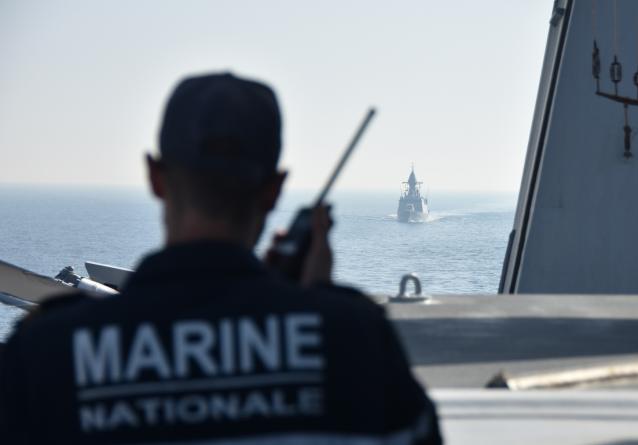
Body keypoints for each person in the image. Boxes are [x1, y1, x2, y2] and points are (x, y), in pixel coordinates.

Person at [0, 72, 441, 444]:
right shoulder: (356, 342)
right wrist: (313, 305)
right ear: (274, 190)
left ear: (155, 177)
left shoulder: (46, 352)